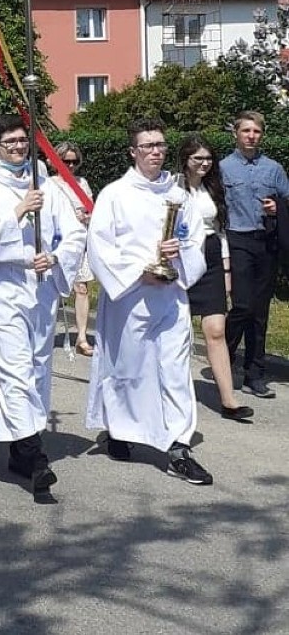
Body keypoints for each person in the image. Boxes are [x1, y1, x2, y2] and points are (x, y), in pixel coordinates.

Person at [0, 116, 85, 502]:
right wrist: (17, 213)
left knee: (36, 368)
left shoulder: (47, 184)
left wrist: (57, 255)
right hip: (6, 290)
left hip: (43, 289)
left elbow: (75, 232)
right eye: (9, 142)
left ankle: (18, 449)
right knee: (13, 369)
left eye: (21, 140)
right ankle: (35, 458)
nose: (18, 147)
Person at [87, 117, 212, 485]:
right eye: (148, 146)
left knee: (174, 371)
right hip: (131, 299)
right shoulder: (114, 194)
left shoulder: (178, 197)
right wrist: (136, 273)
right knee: (129, 369)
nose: (156, 152)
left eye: (160, 145)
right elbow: (100, 246)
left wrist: (179, 258)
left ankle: (178, 447)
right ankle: (122, 430)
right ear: (133, 152)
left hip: (171, 298)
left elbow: (195, 244)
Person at [178, 134, 253, 421]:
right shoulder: (172, 187)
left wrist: (226, 269)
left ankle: (228, 400)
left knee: (216, 329)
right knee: (178, 333)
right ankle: (172, 394)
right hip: (181, 258)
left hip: (209, 257)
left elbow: (221, 232)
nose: (204, 164)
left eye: (208, 158)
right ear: (185, 159)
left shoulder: (213, 189)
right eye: (198, 158)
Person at [220, 111, 289, 399]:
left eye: (256, 132)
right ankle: (224, 354)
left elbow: (287, 200)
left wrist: (278, 208)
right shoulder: (223, 168)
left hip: (266, 242)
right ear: (236, 133)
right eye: (246, 131)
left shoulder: (273, 168)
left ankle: (255, 374)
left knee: (260, 311)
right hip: (237, 239)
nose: (251, 136)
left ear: (262, 135)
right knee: (243, 305)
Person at [49, 142, 95, 356]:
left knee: (82, 289)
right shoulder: (49, 184)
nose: (71, 165)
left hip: (80, 242)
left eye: (74, 161)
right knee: (53, 289)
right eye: (66, 161)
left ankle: (82, 337)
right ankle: (46, 331)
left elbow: (92, 210)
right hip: (58, 243)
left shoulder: (82, 183)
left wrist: (86, 217)